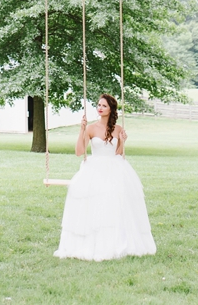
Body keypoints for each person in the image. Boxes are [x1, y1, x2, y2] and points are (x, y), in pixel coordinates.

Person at [55, 93, 157, 261]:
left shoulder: (118, 129)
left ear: (111, 110)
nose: (100, 108)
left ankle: (115, 241)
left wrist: (123, 141)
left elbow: (118, 153)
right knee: (93, 202)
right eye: (99, 105)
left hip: (115, 167)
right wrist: (81, 130)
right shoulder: (91, 128)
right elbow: (79, 152)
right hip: (95, 168)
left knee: (114, 202)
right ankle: (93, 242)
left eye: (104, 106)